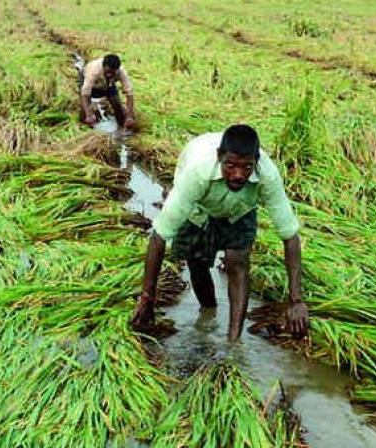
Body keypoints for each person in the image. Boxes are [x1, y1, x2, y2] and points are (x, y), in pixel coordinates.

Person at [130, 124, 308, 342]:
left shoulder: (267, 175)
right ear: (219, 157)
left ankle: (233, 341)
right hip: (199, 207)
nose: (238, 175)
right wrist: (147, 299)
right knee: (197, 261)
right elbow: (159, 236)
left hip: (241, 209)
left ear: (256, 162)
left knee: (238, 260)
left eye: (247, 167)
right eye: (231, 165)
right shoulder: (196, 173)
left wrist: (296, 301)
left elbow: (290, 235)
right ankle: (208, 311)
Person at [77, 53, 136, 129]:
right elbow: (85, 94)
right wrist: (88, 114)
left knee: (117, 104)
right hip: (91, 83)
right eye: (107, 72)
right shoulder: (93, 70)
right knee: (85, 110)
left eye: (112, 72)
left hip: (108, 84)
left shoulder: (121, 71)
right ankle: (88, 128)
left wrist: (130, 115)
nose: (109, 74)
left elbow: (129, 93)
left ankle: (122, 128)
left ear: (116, 69)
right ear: (103, 66)